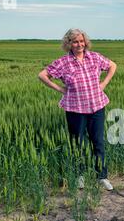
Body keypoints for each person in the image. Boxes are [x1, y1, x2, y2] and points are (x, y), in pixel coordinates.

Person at [38, 28, 117, 191]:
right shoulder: (62, 62)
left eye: (81, 41)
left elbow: (112, 66)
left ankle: (101, 176)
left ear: (85, 42)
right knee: (78, 143)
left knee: (98, 142)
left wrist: (104, 84)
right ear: (69, 44)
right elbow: (42, 75)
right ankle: (80, 176)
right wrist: (60, 89)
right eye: (75, 41)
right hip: (75, 108)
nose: (79, 44)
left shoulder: (94, 57)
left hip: (97, 106)